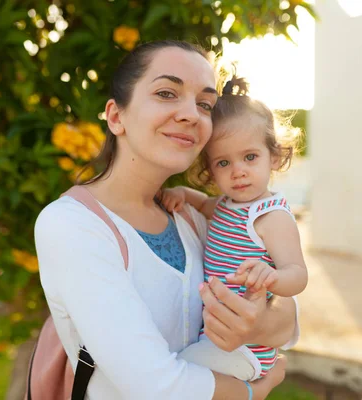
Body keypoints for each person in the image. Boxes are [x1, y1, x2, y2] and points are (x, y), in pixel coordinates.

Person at [34, 40, 300, 400]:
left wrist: (266, 324)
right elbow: (156, 386)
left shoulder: (192, 216)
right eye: (166, 92)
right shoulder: (71, 226)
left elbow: (286, 314)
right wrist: (252, 392)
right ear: (116, 117)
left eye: (204, 104)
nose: (191, 113)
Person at [160, 77, 308, 385]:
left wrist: (271, 277)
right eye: (223, 162)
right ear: (210, 169)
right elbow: (204, 204)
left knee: (172, 378)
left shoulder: (270, 216)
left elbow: (298, 274)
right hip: (219, 335)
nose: (238, 171)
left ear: (275, 157)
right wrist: (184, 195)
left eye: (250, 157)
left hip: (247, 347)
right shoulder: (228, 203)